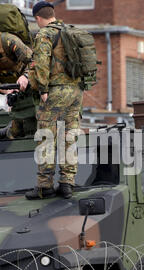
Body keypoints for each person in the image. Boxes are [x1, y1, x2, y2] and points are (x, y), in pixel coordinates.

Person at [25, 1, 84, 200]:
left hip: (55, 91)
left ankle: (44, 186)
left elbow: (41, 63)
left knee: (46, 136)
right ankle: (67, 183)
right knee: (69, 136)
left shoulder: (44, 34)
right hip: (76, 91)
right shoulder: (70, 31)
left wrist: (42, 89)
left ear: (38, 18)